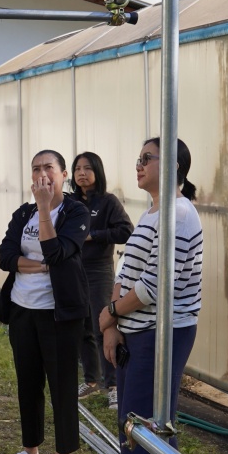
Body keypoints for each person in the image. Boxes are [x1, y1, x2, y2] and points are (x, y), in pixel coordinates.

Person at [99, 137, 202, 454]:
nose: (138, 164)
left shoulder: (180, 214)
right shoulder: (153, 213)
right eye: (138, 158)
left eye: (147, 158)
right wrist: (112, 323)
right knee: (138, 429)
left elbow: (155, 286)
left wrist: (110, 314)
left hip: (161, 334)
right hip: (136, 331)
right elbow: (125, 271)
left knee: (143, 431)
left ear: (174, 165)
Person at [0, 149, 90, 454]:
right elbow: (5, 255)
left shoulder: (76, 211)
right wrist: (38, 266)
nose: (42, 174)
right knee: (28, 381)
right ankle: (30, 448)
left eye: (49, 167)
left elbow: (58, 251)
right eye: (35, 168)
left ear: (63, 175)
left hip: (59, 312)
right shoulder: (23, 213)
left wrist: (45, 209)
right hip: (23, 309)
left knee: (61, 384)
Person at [69, 151, 133, 409]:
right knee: (82, 327)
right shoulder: (69, 202)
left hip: (99, 271)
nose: (81, 173)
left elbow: (125, 230)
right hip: (73, 270)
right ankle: (92, 380)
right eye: (77, 169)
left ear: (98, 172)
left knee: (104, 325)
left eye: (87, 168)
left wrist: (93, 235)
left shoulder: (108, 202)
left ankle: (114, 385)